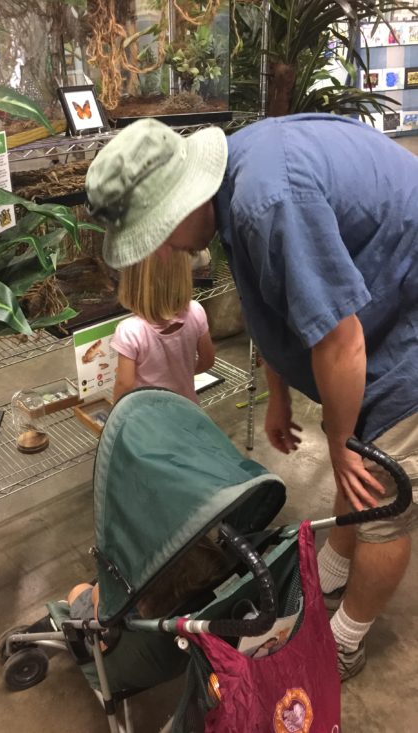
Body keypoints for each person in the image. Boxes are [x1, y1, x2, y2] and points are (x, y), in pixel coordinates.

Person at [84, 114, 418, 681]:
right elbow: (280, 304)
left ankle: (343, 640)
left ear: (185, 198)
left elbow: (343, 341)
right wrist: (279, 392)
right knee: (354, 459)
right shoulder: (236, 187)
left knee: (383, 489)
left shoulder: (268, 202)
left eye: (159, 230)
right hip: (375, 303)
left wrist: (338, 442)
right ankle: (329, 574)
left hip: (402, 315)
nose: (162, 249)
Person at [67, 534, 229, 651]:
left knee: (79, 590)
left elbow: (103, 630)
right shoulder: (206, 592)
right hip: (181, 638)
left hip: (116, 644)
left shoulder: (136, 620)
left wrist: (98, 592)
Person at [110, 249, 215, 404]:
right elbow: (208, 360)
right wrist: (180, 375)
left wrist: (115, 417)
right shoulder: (196, 311)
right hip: (187, 410)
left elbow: (124, 384)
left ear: (132, 282)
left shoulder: (129, 331)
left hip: (149, 419)